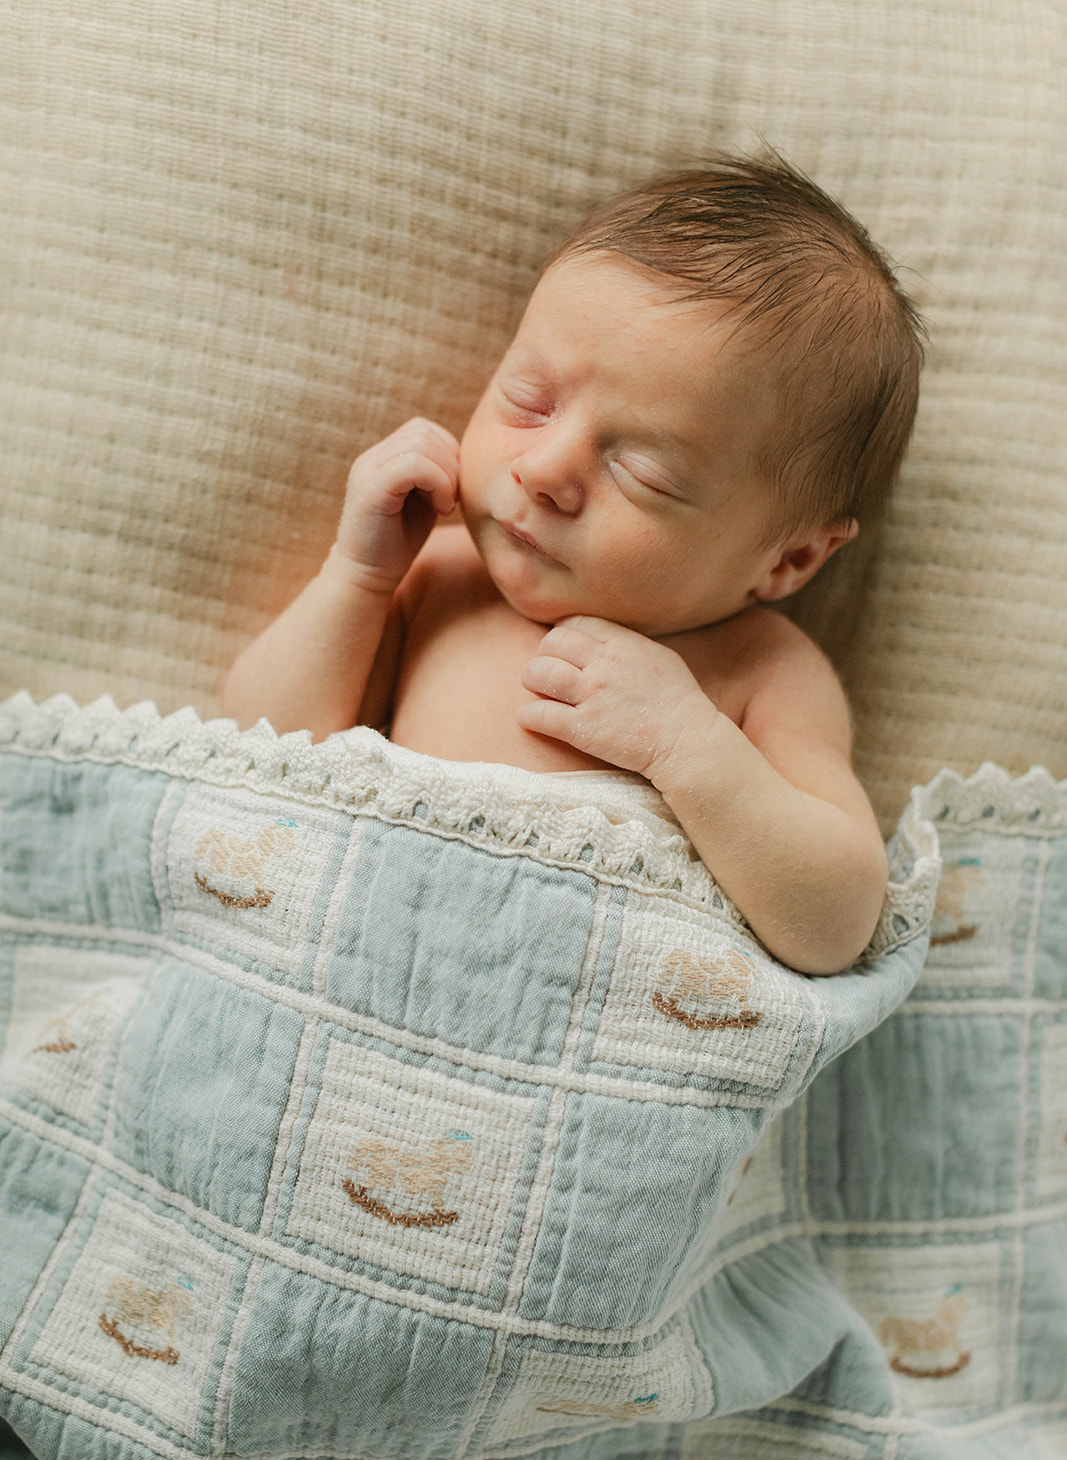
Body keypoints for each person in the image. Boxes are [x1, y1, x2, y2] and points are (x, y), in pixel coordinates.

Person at [223, 152, 925, 977]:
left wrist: (685, 746)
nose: (545, 470)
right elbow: (256, 757)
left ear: (790, 558)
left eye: (643, 471)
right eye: (529, 402)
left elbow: (834, 921)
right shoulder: (441, 583)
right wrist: (356, 577)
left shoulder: (759, 667)